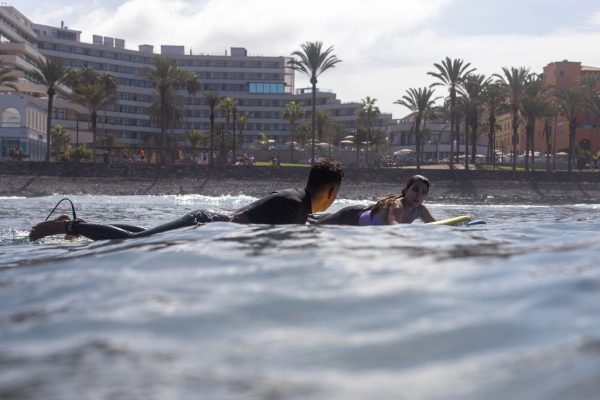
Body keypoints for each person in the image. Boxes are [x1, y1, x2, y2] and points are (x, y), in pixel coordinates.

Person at [29, 161, 344, 241]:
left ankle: (77, 225)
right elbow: (238, 223)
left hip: (206, 220)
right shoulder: (293, 204)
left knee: (143, 232)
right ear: (331, 193)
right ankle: (65, 227)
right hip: (206, 222)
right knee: (133, 240)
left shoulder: (298, 205)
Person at [309, 174, 435, 226]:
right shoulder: (397, 206)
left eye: (424, 192)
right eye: (415, 190)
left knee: (318, 219)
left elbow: (437, 225)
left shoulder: (420, 210)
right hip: (350, 217)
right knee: (313, 224)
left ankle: (318, 216)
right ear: (406, 190)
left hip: (363, 212)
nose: (419, 194)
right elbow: (394, 226)